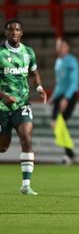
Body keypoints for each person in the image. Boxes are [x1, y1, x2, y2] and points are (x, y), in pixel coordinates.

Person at [0, 19, 47, 195]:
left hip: (22, 104)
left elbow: (34, 74)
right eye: (10, 30)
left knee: (26, 137)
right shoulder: (0, 53)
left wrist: (39, 88)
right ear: (5, 33)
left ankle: (26, 185)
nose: (14, 32)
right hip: (2, 107)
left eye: (17, 29)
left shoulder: (28, 52)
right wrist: (4, 96)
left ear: (22, 32)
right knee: (3, 147)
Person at [49, 37, 79, 165]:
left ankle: (69, 154)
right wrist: (53, 96)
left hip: (69, 96)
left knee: (59, 123)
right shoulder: (58, 62)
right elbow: (59, 83)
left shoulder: (71, 61)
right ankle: (69, 153)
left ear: (68, 48)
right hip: (60, 96)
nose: (60, 48)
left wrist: (66, 98)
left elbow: (73, 82)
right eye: (58, 46)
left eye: (62, 46)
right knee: (55, 124)